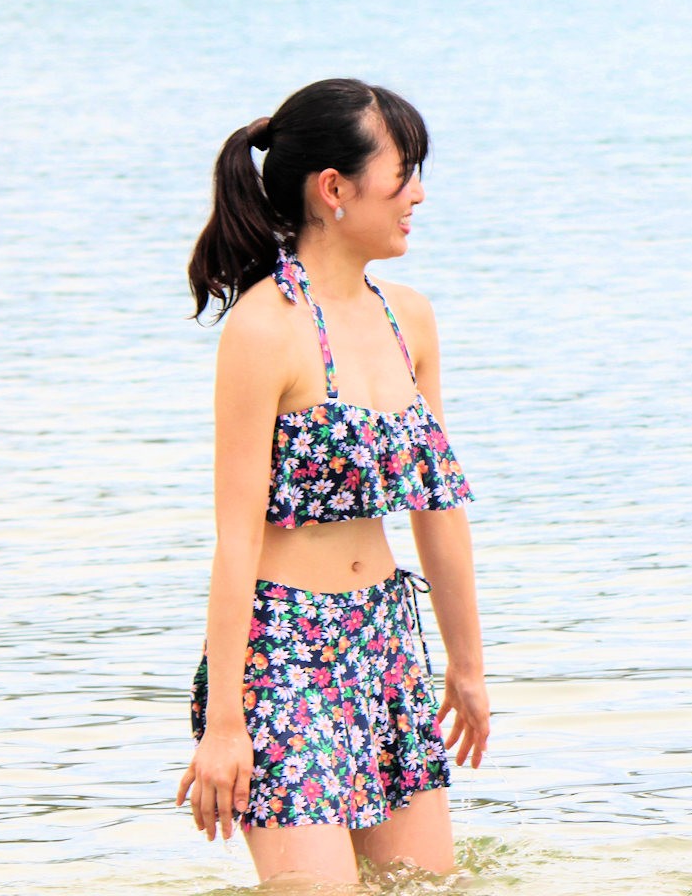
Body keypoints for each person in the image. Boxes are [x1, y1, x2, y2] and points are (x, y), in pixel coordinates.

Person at [176, 78, 487, 886]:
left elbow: (439, 507)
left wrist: (467, 666)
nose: (418, 194)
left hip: (384, 644)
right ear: (335, 189)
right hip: (281, 656)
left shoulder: (408, 318)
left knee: (428, 887)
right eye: (403, 173)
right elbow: (236, 537)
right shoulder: (262, 331)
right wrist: (224, 724)